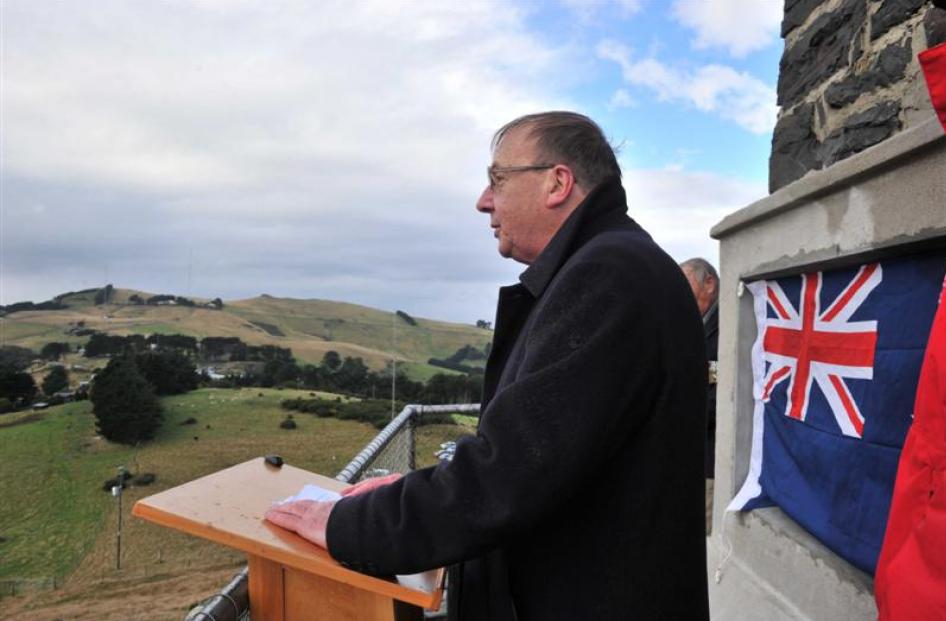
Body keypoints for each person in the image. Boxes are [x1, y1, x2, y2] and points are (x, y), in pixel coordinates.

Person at [266, 112, 710, 620]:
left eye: (498, 179)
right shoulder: (614, 265)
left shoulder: (608, 276)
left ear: (557, 183)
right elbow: (550, 453)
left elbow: (507, 475)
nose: (483, 201)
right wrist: (406, 493)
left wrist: (349, 525)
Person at [680, 258, 720, 535]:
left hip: (711, 456)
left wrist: (681, 417)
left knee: (702, 532)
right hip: (691, 452)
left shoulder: (729, 324)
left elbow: (723, 393)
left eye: (687, 286)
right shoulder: (696, 321)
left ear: (709, 283)